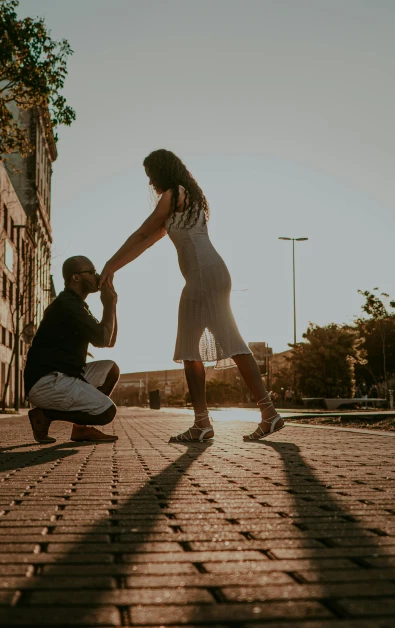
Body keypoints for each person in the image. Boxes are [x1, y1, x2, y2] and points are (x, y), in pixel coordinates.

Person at [99, 149, 284, 442]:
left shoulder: (173, 195)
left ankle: (211, 422)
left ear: (162, 172)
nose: (151, 183)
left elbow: (140, 234)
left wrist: (109, 265)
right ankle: (261, 414)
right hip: (212, 273)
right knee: (217, 345)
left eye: (151, 176)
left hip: (202, 276)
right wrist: (115, 268)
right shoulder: (186, 200)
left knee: (195, 348)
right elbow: (144, 243)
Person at [24, 256, 120, 444]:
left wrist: (112, 306)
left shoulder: (76, 305)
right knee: (106, 412)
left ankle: (80, 430)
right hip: (47, 381)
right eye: (91, 272)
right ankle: (44, 414)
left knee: (111, 369)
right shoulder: (68, 306)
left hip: (67, 375)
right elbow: (103, 338)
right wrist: (108, 305)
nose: (97, 276)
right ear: (76, 278)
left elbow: (108, 341)